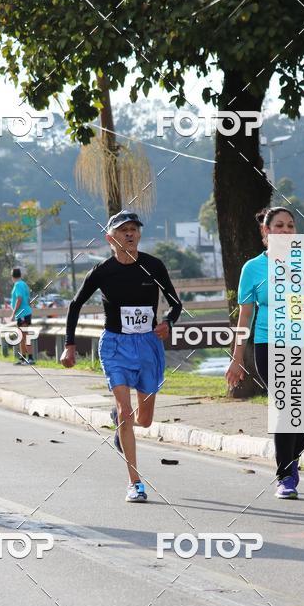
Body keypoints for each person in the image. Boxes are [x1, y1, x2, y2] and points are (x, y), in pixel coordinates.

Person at [60, 210, 182, 503]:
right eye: (123, 229)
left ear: (139, 234)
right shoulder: (102, 271)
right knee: (127, 414)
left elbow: (175, 303)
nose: (129, 234)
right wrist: (69, 344)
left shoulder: (153, 265)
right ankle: (135, 483)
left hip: (148, 345)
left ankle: (118, 417)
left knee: (146, 420)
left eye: (134, 229)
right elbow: (75, 305)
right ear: (110, 238)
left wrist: (168, 322)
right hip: (115, 345)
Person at [226, 207, 304, 499]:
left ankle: (291, 455)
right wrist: (237, 358)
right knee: (286, 408)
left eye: (290, 226)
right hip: (271, 343)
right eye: (279, 226)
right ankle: (285, 477)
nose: (285, 231)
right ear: (266, 232)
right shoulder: (253, 269)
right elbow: (244, 317)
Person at [9, 267, 34, 365]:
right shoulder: (24, 284)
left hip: (22, 314)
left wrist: (13, 313)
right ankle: (23, 358)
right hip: (24, 313)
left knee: (25, 336)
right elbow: (28, 299)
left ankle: (30, 358)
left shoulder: (18, 285)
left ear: (12, 276)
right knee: (22, 336)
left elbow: (19, 299)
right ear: (20, 275)